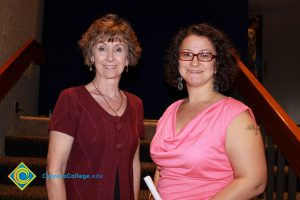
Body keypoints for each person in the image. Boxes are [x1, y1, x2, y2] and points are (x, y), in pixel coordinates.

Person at [150, 23, 267, 200]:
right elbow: (163, 168)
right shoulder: (170, 111)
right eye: (187, 54)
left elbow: (255, 182)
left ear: (217, 63)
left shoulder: (236, 116)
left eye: (204, 55)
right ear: (178, 60)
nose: (194, 61)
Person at [46, 13, 144, 200]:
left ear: (128, 57)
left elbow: (134, 164)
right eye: (101, 48)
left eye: (118, 49)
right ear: (91, 56)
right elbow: (54, 170)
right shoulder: (71, 99)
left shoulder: (135, 104)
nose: (110, 58)